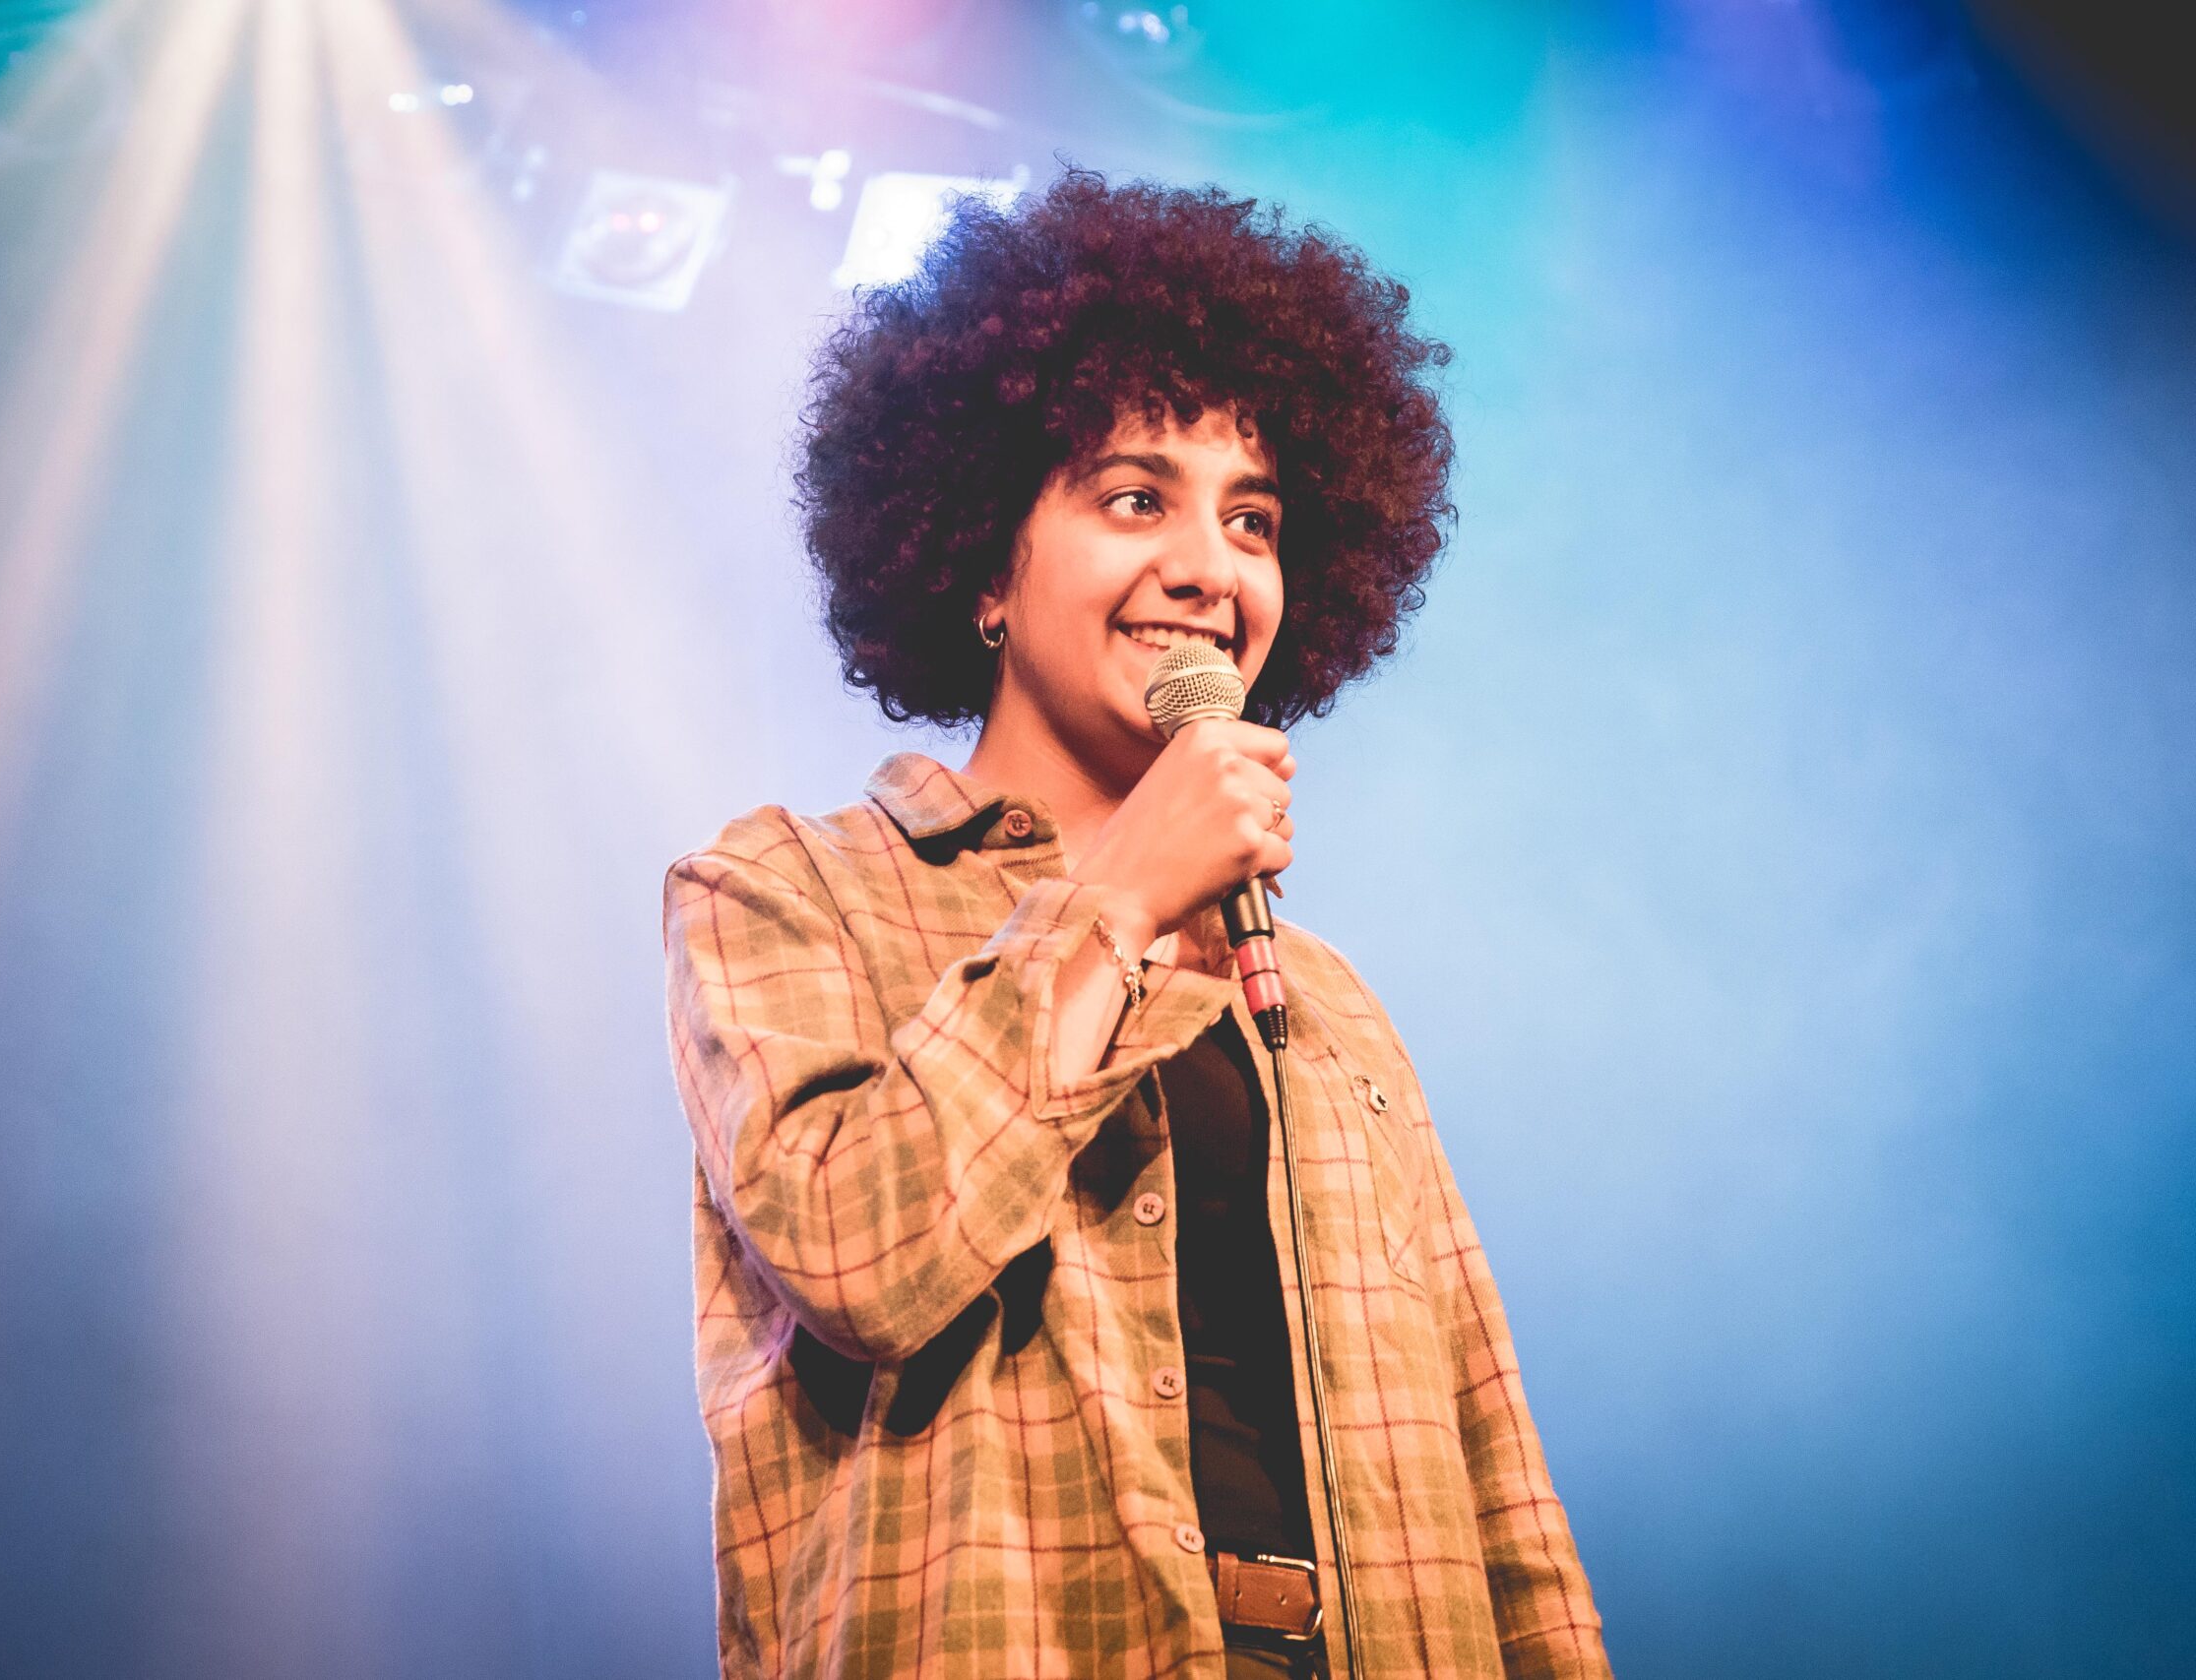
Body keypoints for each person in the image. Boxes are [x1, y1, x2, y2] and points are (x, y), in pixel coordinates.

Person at [663, 169, 1609, 1679]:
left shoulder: (1328, 1000)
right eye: (1134, 499)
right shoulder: (785, 890)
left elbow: (1497, 1480)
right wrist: (1112, 898)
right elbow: (858, 1255)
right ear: (984, 563)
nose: (1208, 567)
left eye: (1254, 519)